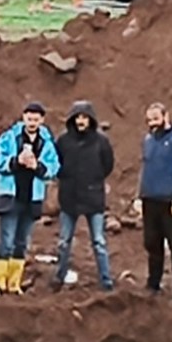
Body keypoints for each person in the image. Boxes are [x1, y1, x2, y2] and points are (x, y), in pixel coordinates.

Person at [0, 101, 59, 294]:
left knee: (22, 243)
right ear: (23, 118)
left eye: (36, 119)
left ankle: (14, 283)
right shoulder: (9, 138)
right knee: (6, 241)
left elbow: (54, 167)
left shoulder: (46, 143)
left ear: (42, 120)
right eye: (29, 118)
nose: (32, 122)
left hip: (32, 198)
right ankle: (0, 281)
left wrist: (37, 167)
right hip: (10, 197)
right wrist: (16, 161)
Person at [134, 102, 172, 302]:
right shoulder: (148, 140)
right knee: (152, 244)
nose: (152, 123)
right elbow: (145, 169)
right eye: (149, 120)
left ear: (166, 117)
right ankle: (153, 284)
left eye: (156, 118)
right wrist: (139, 195)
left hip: (171, 202)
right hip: (150, 200)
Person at [53, 101, 116, 292]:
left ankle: (106, 280)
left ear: (91, 120)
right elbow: (55, 164)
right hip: (69, 197)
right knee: (64, 242)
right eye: (78, 117)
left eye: (84, 117)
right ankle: (59, 277)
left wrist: (94, 179)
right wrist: (65, 177)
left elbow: (108, 164)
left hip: (93, 197)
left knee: (99, 242)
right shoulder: (63, 141)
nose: (81, 121)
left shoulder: (101, 141)